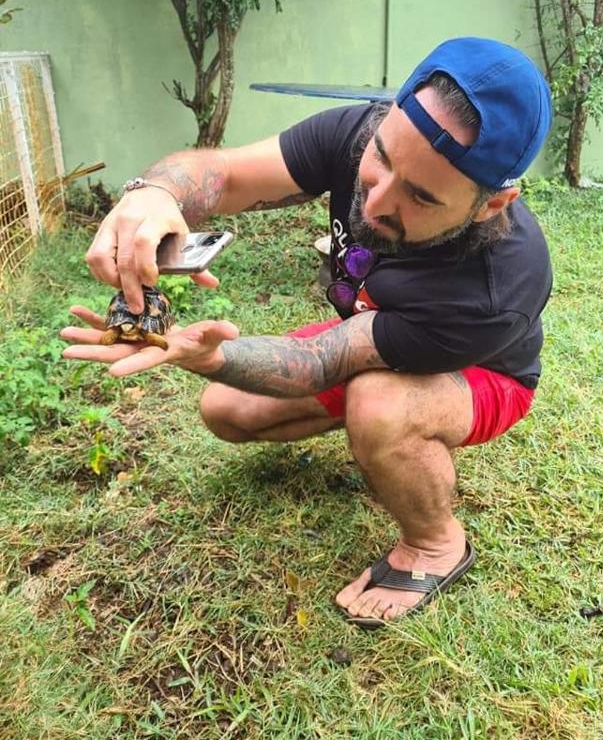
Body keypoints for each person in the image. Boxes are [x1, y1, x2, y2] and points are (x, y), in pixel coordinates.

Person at [61, 37, 553, 630]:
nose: (377, 201)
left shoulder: (493, 293)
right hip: (379, 329)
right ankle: (382, 439)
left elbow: (322, 361)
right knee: (226, 409)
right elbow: (224, 172)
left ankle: (435, 544)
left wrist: (362, 401)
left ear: (490, 204)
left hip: (482, 371)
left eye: (420, 196)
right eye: (384, 159)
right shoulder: (359, 133)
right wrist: (157, 194)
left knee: (379, 405)